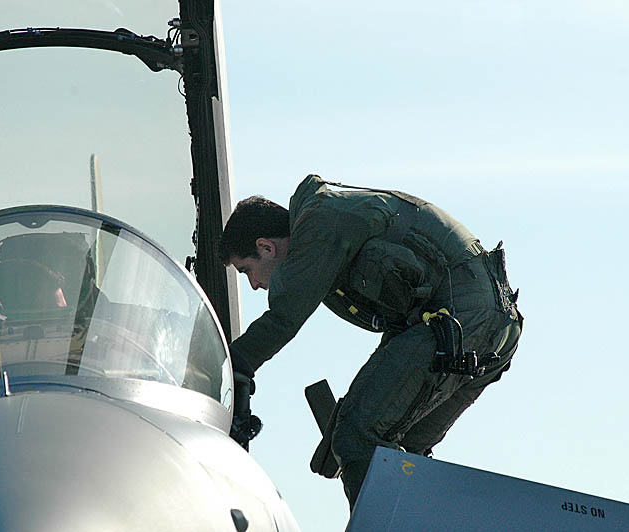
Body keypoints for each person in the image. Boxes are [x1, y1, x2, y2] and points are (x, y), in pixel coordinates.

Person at [219, 174, 522, 510]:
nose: (255, 286)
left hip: (462, 320)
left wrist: (226, 365)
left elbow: (284, 317)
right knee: (395, 451)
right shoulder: (329, 236)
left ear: (266, 247)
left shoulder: (320, 222)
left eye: (246, 270)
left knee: (358, 436)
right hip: (489, 332)